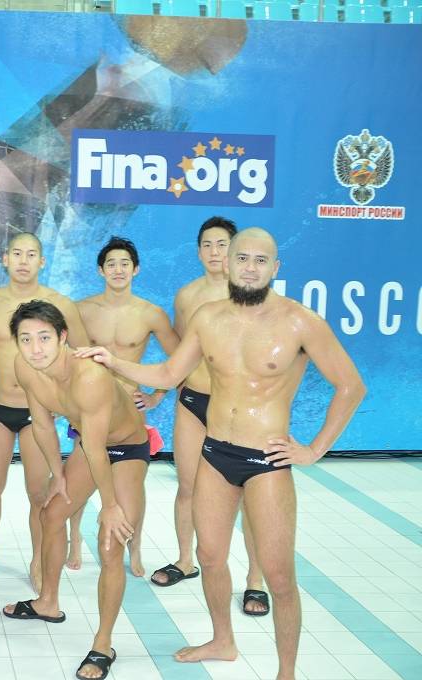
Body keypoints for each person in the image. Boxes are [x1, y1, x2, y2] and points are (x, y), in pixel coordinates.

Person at [81, 227, 365, 680]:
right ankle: (222, 641)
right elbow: (169, 372)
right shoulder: (208, 317)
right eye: (242, 258)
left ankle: (286, 672)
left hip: (265, 461)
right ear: (228, 263)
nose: (250, 268)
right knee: (210, 557)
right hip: (215, 452)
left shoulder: (300, 321)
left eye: (260, 260)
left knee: (279, 577)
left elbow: (350, 386)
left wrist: (314, 449)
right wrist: (113, 361)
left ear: (275, 268)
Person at [1, 300, 143, 680]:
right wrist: (58, 475)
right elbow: (42, 424)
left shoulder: (89, 377)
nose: (35, 348)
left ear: (63, 336)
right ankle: (47, 602)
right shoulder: (26, 368)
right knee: (52, 514)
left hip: (125, 448)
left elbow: (98, 450)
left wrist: (109, 506)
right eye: (26, 339)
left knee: (110, 541)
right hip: (90, 444)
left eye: (44, 338)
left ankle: (103, 643)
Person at [155, 218, 266, 618]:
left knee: (250, 495)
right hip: (193, 401)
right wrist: (162, 390)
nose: (215, 252)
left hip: (236, 408)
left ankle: (255, 580)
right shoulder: (187, 296)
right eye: (207, 245)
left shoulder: (253, 295)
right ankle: (186, 560)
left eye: (222, 244)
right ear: (198, 250)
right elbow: (181, 354)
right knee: (187, 485)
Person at [0, 232, 89, 587]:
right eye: (17, 253)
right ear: (5, 259)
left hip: (40, 414)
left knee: (39, 494)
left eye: (31, 254)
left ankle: (38, 562)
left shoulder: (60, 305)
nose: (23, 261)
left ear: (42, 261)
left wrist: (67, 398)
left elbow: (83, 354)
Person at [74, 236, 179, 577]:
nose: (118, 270)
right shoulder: (81, 310)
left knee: (132, 487)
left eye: (124, 264)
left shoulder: (151, 314)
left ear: (136, 269)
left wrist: (156, 396)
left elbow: (180, 360)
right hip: (90, 408)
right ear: (100, 270)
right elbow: (65, 358)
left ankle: (134, 546)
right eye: (111, 264)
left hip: (131, 411)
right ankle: (74, 538)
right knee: (80, 479)